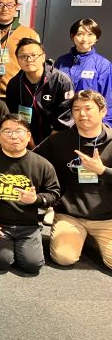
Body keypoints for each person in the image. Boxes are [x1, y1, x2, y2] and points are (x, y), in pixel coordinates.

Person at [34, 90, 112, 270]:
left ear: (103, 111)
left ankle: (90, 239)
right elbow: (32, 160)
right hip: (70, 215)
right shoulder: (58, 141)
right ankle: (82, 236)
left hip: (107, 217)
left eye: (88, 108)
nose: (82, 114)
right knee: (64, 258)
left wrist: (102, 171)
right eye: (76, 109)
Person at [0, 115, 60, 274]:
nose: (14, 136)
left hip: (28, 226)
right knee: (2, 261)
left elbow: (54, 194)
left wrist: (36, 199)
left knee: (32, 265)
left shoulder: (42, 164)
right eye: (7, 132)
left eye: (19, 131)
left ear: (28, 136)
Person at [5, 37, 75, 147]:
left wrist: (46, 147)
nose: (29, 59)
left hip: (56, 139)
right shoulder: (14, 84)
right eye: (23, 56)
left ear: (43, 57)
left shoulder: (61, 81)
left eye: (33, 55)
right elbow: (14, 116)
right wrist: (31, 144)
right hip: (27, 141)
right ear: (17, 60)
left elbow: (65, 117)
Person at [54, 18, 112, 125]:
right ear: (72, 36)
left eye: (90, 34)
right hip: (62, 121)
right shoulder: (61, 62)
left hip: (88, 120)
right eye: (80, 34)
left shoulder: (103, 65)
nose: (84, 39)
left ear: (96, 38)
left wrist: (106, 125)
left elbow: (108, 98)